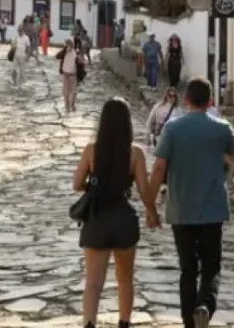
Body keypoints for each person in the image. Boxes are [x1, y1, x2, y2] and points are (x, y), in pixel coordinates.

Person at [146, 78, 234, 328]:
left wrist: (150, 205)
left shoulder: (173, 129)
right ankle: (204, 305)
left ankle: (189, 322)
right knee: (211, 266)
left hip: (181, 208)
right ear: (210, 101)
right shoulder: (222, 128)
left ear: (185, 99)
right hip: (213, 208)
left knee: (188, 269)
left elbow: (158, 168)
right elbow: (233, 156)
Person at [73, 97, 158, 328]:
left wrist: (91, 185)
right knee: (125, 279)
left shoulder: (91, 150)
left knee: (93, 281)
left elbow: (76, 183)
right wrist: (153, 213)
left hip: (97, 218)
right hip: (123, 219)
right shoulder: (135, 154)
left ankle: (90, 323)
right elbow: (143, 189)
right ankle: (124, 322)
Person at [56, 38, 80, 112]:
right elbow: (57, 56)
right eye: (66, 45)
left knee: (74, 91)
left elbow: (79, 63)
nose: (67, 46)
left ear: (72, 45)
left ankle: (72, 105)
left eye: (69, 45)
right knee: (66, 92)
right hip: (65, 74)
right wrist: (64, 50)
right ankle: (67, 107)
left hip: (73, 75)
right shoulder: (63, 53)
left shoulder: (75, 53)